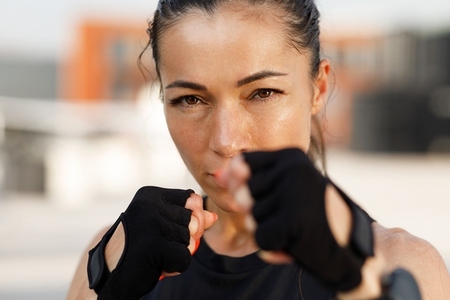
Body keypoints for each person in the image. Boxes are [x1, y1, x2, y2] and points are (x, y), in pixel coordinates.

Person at [67, 0, 450, 299]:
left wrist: (359, 281)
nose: (226, 140)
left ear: (317, 89)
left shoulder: (401, 264)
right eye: (190, 100)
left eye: (262, 93)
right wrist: (110, 291)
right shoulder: (112, 255)